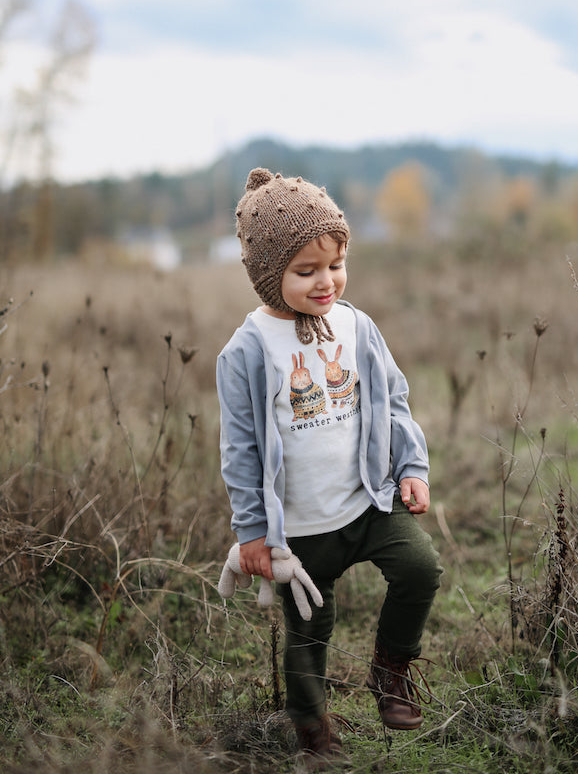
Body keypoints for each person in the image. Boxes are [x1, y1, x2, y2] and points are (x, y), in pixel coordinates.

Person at [217, 167, 442, 768]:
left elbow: (392, 399)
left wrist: (410, 467)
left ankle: (390, 669)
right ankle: (311, 723)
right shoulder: (248, 351)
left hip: (368, 500)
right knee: (311, 629)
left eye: (336, 264)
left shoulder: (356, 325)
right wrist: (253, 533)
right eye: (306, 270)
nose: (327, 282)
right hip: (301, 527)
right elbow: (240, 448)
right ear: (270, 274)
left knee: (420, 567)